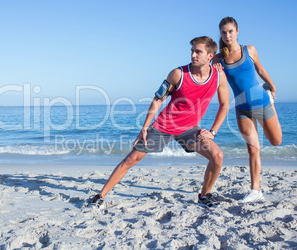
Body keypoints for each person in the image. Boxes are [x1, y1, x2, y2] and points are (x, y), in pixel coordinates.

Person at [88, 36, 229, 209]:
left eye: (198, 52)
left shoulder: (218, 77)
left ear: (210, 56)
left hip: (190, 129)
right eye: (192, 51)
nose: (193, 55)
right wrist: (145, 127)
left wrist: (213, 131)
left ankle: (204, 195)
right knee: (131, 159)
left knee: (217, 156)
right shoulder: (178, 74)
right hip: (165, 125)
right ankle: (100, 196)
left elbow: (225, 105)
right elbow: (157, 100)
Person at [212, 17, 282, 202]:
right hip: (242, 109)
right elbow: (210, 78)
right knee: (252, 149)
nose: (227, 35)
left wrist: (272, 86)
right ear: (220, 34)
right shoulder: (218, 58)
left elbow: (260, 70)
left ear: (237, 31)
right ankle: (255, 190)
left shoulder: (249, 50)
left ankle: (269, 106)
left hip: (263, 102)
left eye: (230, 31)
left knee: (275, 141)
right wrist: (216, 69)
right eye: (224, 32)